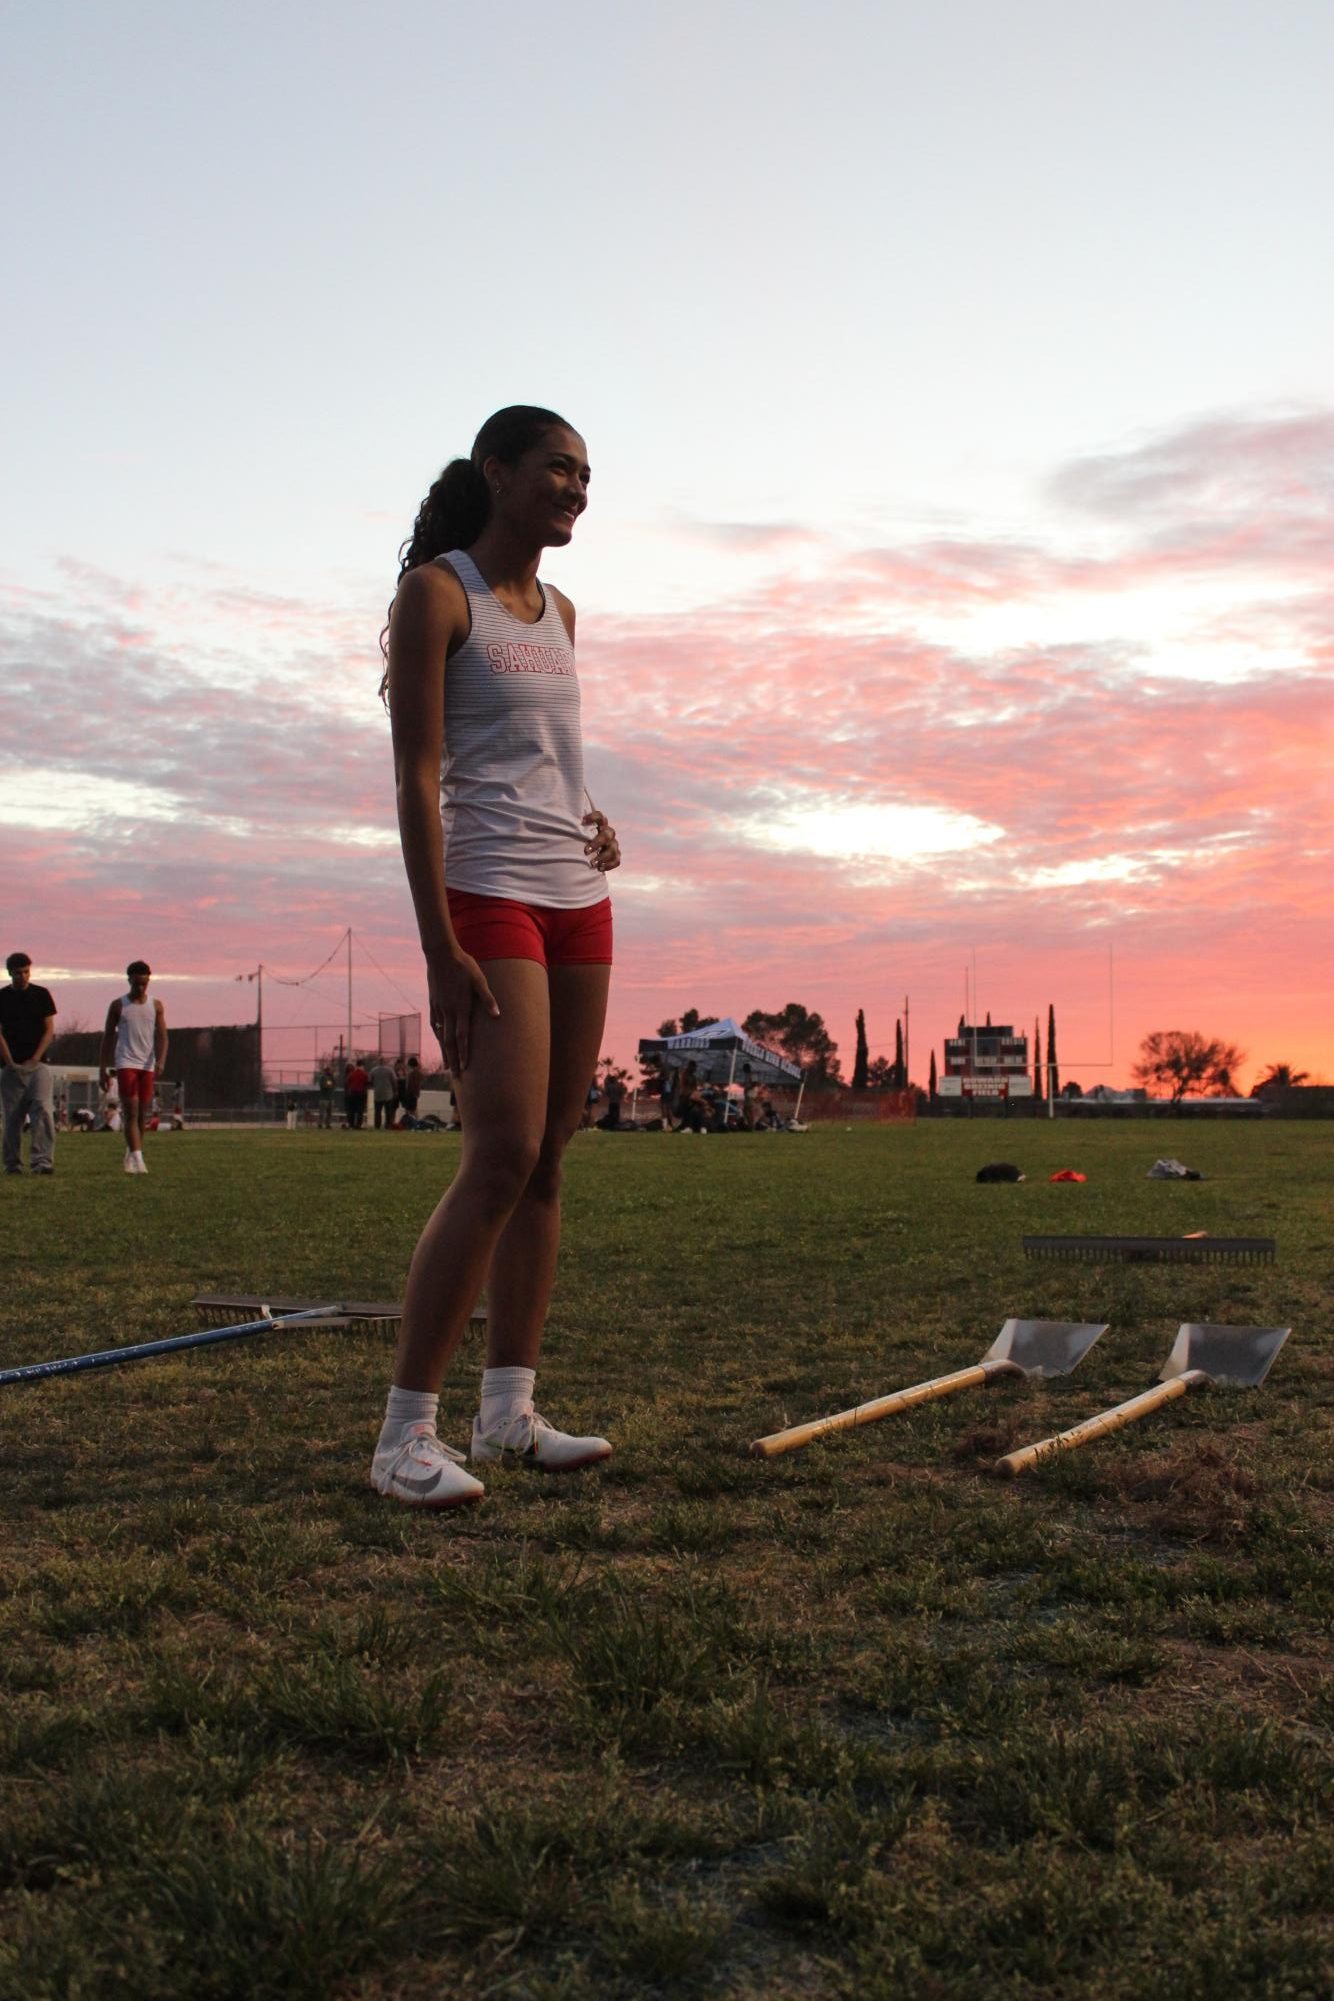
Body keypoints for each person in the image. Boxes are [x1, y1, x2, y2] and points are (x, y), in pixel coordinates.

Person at [370, 405, 620, 1509]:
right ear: (498, 470)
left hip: (579, 899)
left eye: (584, 473)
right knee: (499, 1153)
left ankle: (508, 1411)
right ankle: (402, 1438)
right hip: (488, 895)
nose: (575, 488)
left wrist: (590, 814)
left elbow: (536, 755)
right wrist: (437, 950)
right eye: (557, 469)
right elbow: (418, 776)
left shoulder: (560, 608)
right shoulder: (438, 593)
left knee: (551, 1158)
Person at [99, 961, 167, 1174]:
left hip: (147, 1065)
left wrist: (161, 1060)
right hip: (126, 1062)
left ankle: (131, 1151)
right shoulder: (119, 1006)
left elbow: (163, 1035)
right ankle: (139, 1160)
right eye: (136, 983)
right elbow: (108, 1037)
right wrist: (103, 1067)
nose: (139, 988)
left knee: (142, 1115)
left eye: (143, 984)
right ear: (129, 980)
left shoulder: (156, 1006)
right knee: (131, 1112)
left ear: (149, 980)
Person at [0, 952, 57, 1176]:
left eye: (26, 972)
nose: (22, 976)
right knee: (12, 1117)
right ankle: (12, 1164)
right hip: (10, 1067)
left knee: (43, 1111)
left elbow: (49, 1029)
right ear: (9, 973)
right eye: (17, 973)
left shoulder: (41, 995)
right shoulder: (2, 997)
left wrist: (36, 1057)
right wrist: (9, 1062)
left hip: (38, 1066)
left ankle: (42, 1162)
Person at [370, 1057, 398, 1129]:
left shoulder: (373, 1070)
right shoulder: (390, 1070)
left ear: (378, 1062)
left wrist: (375, 1085)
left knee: (377, 1112)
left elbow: (370, 1081)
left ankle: (377, 1126)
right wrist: (395, 1091)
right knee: (388, 1112)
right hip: (388, 1094)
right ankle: (388, 1126)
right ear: (385, 1062)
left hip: (378, 1094)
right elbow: (394, 1081)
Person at [344, 1059, 369, 1128]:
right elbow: (367, 1083)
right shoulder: (364, 1074)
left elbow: (347, 1082)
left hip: (352, 1094)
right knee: (360, 1110)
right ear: (362, 1065)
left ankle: (351, 1124)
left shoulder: (351, 1073)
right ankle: (358, 1125)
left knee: (351, 1110)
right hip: (361, 1094)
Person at [317, 1063, 336, 1128]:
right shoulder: (322, 1077)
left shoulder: (332, 1077)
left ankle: (328, 1124)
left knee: (329, 1113)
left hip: (331, 1098)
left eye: (329, 1070)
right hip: (323, 1098)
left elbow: (334, 1085)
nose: (328, 1071)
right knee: (322, 1113)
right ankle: (320, 1124)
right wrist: (329, 1085)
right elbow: (323, 1086)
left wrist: (332, 1078)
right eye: (327, 1070)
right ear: (325, 1071)